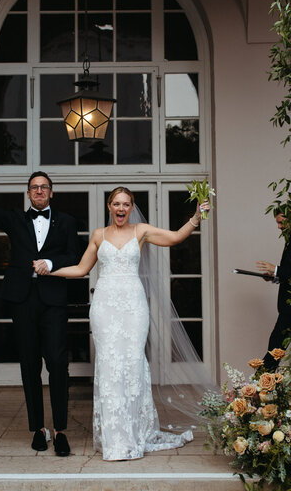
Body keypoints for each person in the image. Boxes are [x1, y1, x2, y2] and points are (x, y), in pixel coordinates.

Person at [35, 186, 210, 461]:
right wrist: (51, 270)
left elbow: (175, 237)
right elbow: (82, 269)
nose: (120, 208)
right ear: (109, 206)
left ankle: (135, 433)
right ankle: (114, 439)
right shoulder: (98, 235)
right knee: (109, 365)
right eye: (116, 203)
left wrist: (196, 217)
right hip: (105, 307)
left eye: (126, 204)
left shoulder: (141, 231)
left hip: (133, 306)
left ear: (131, 207)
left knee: (132, 364)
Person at [0, 156, 79, 456]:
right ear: (28, 193)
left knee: (57, 364)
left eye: (44, 187)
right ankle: (38, 429)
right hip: (22, 300)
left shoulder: (68, 222)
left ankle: (59, 430)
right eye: (34, 187)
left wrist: (51, 262)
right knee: (29, 365)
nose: (39, 191)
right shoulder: (16, 219)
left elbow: (74, 255)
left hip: (54, 300)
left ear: (51, 192)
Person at [256, 210, 291, 370]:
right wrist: (274, 276)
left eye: (281, 222)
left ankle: (260, 387)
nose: (279, 227)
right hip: (286, 309)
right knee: (275, 346)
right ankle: (261, 387)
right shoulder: (288, 239)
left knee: (275, 347)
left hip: (289, 309)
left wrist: (276, 269)